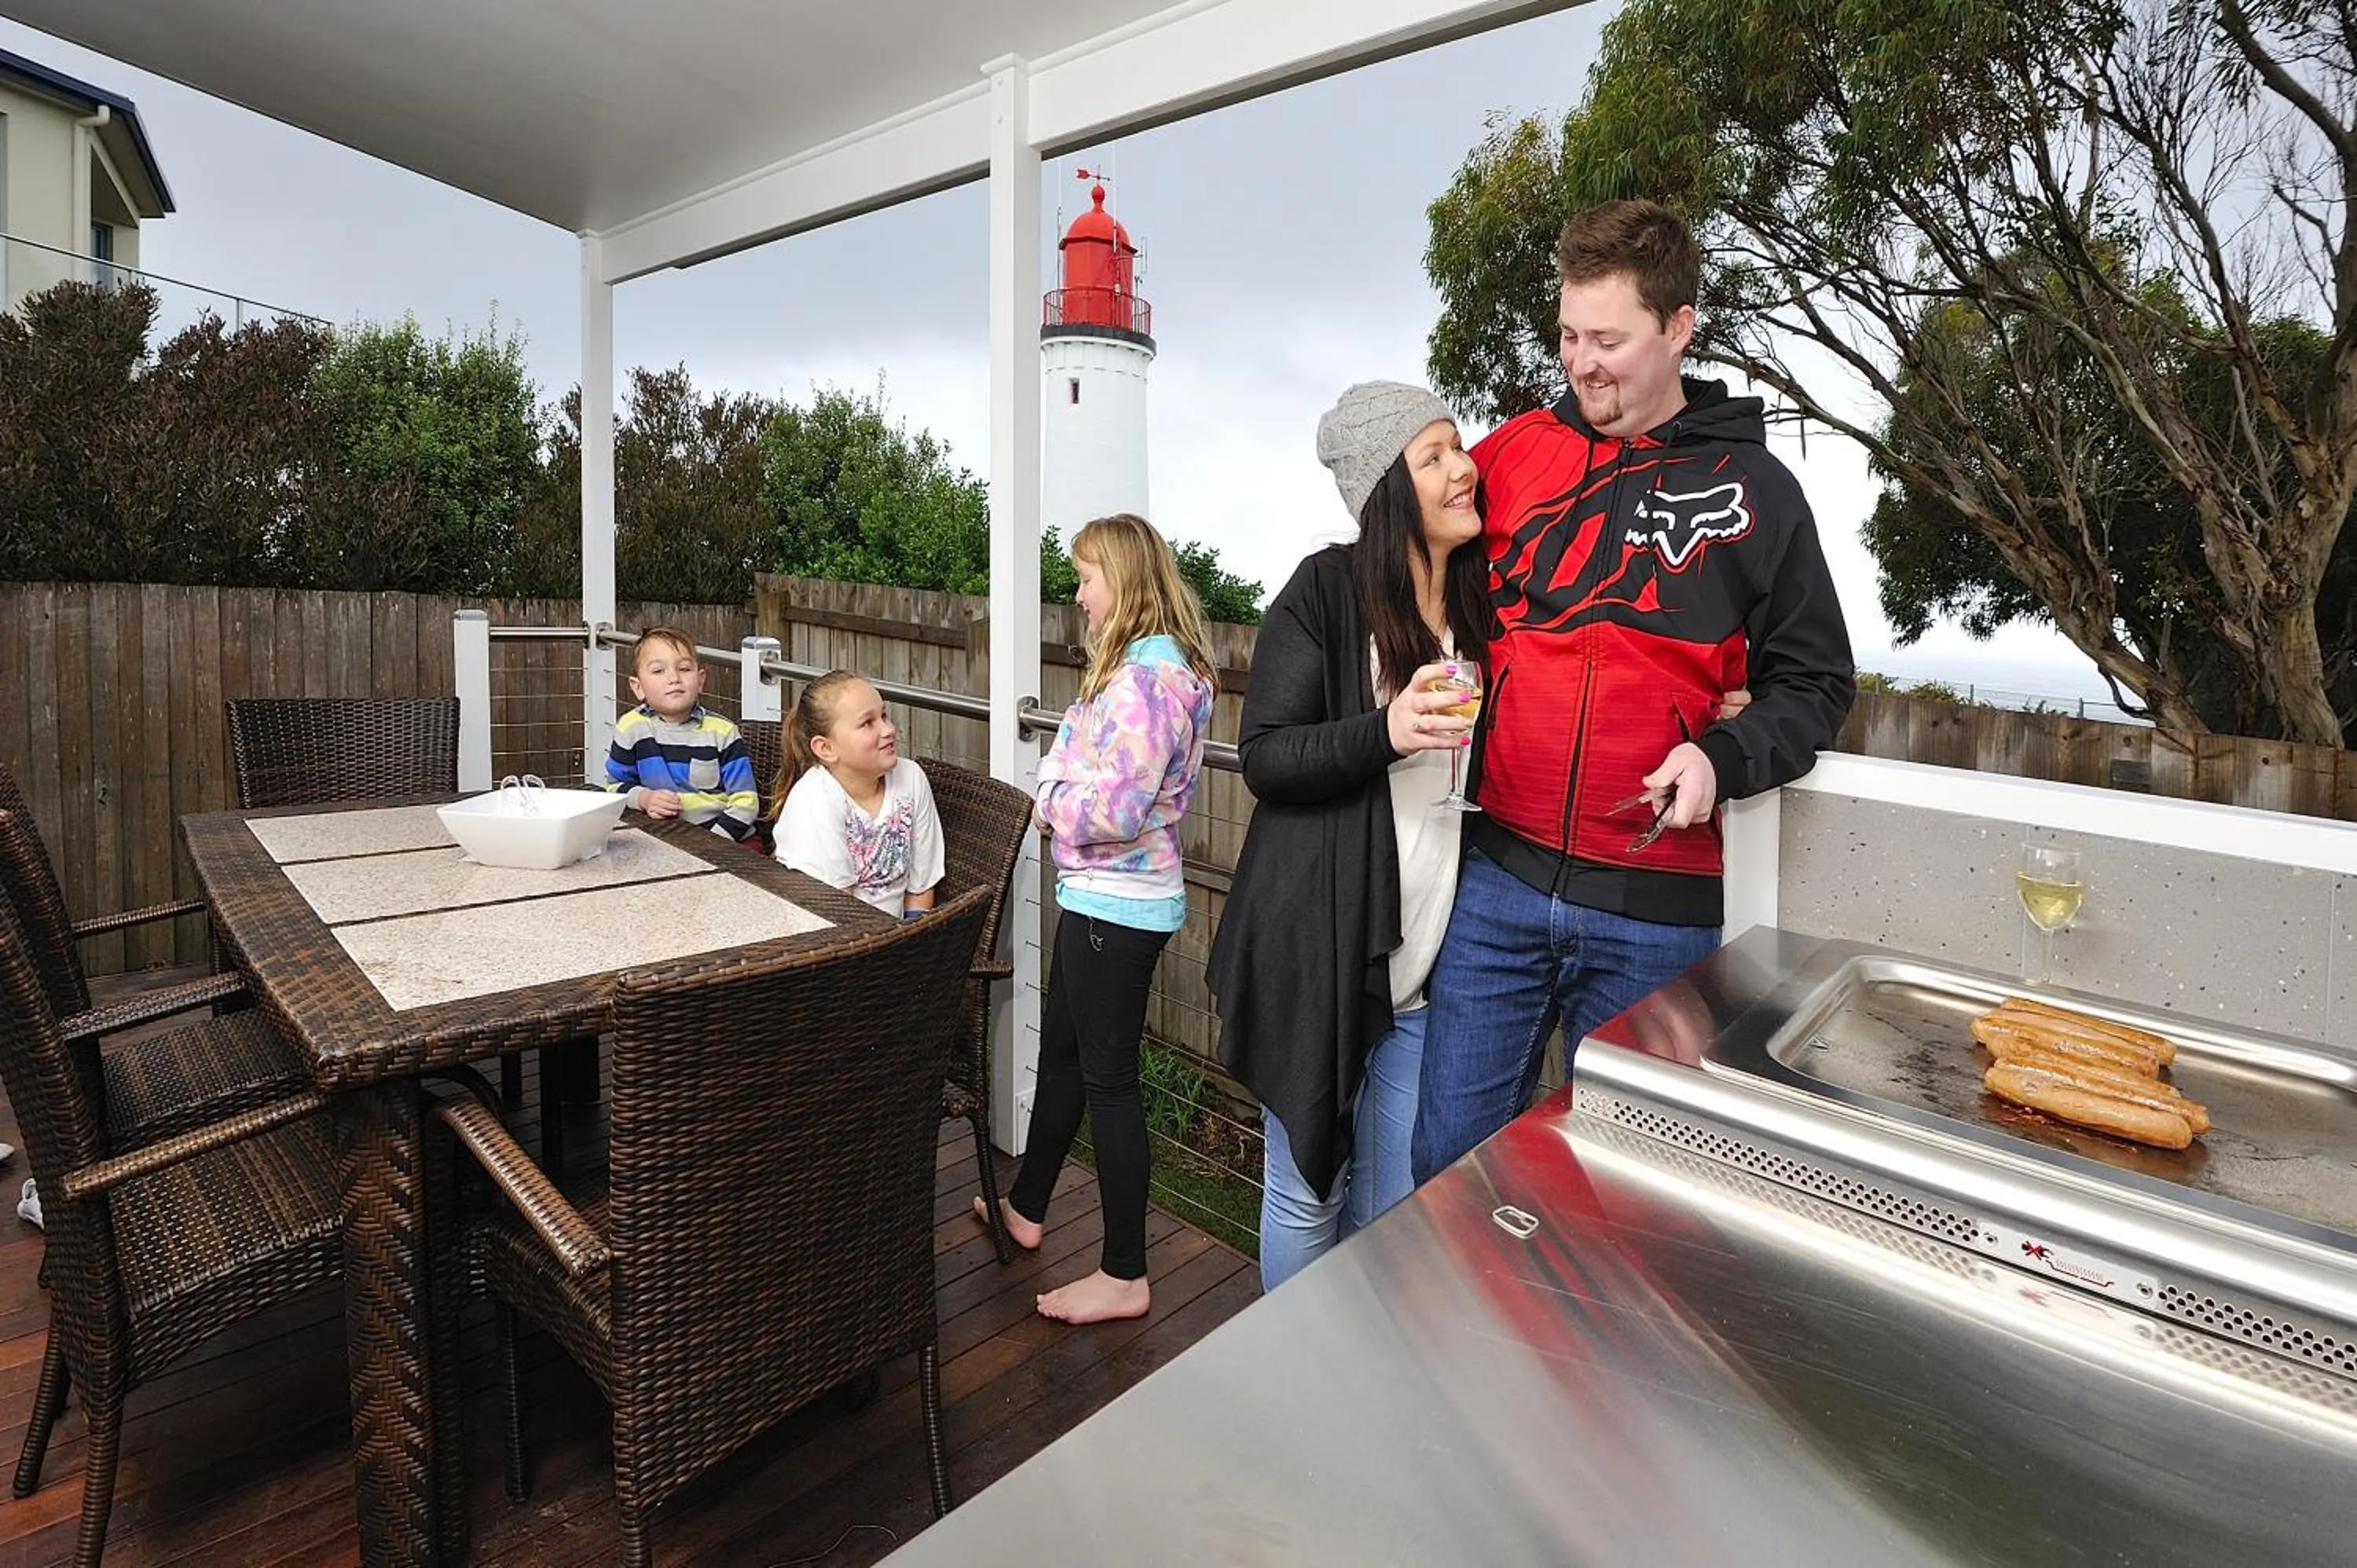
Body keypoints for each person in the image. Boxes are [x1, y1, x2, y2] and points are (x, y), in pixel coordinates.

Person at [1411, 198, 1857, 1185]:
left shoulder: (1758, 493)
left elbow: (1817, 681)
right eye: (1569, 335)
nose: (1582, 362)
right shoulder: (1516, 454)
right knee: (1445, 1172)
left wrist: (1724, 755)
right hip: (1496, 888)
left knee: (1632, 1199)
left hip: (1662, 919)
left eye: (1608, 339)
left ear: (1679, 327)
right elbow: (1409, 566)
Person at [1208, 382, 1486, 1291]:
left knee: (1395, 1198)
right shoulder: (1325, 591)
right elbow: (1267, 756)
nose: (1463, 468)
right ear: (1387, 493)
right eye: (1434, 456)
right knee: (1308, 1192)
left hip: (1427, 955)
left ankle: (1358, 1389)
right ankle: (1295, 1390)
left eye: (1459, 445)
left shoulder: (1478, 603)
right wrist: (1389, 731)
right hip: (1322, 948)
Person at [977, 512, 1217, 1324]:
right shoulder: (1134, 674)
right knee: (1070, 1057)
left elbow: (1111, 804)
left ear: (1124, 577)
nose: (1077, 595)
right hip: (1097, 897)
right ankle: (1028, 1204)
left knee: (1110, 1081)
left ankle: (1124, 1271)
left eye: (1086, 577)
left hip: (1119, 902)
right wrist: (1059, 778)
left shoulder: (1145, 684)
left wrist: (1048, 801)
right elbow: (1071, 752)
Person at [767, 669, 944, 918]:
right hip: (834, 940)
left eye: (884, 715)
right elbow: (839, 912)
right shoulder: (815, 799)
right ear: (826, 748)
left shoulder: (911, 778)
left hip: (898, 943)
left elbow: (922, 886)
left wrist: (914, 943)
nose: (888, 730)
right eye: (867, 723)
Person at [600, 626, 761, 841]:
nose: (674, 678)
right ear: (638, 687)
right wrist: (644, 798)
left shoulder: (723, 733)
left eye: (684, 669)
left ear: (701, 680)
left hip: (728, 837)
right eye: (659, 671)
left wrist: (714, 843)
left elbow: (746, 802)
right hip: (662, 839)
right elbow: (613, 787)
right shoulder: (630, 728)